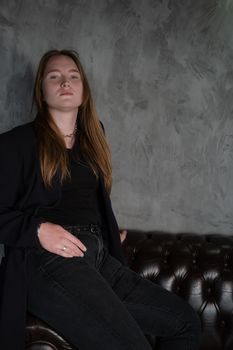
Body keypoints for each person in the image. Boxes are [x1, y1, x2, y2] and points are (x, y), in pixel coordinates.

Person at [0, 49, 201, 350]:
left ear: (83, 89)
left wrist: (107, 233)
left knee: (186, 324)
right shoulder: (17, 142)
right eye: (54, 77)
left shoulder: (95, 137)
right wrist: (38, 230)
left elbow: (91, 201)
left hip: (98, 257)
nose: (64, 82)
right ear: (41, 90)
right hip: (48, 260)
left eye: (73, 76)